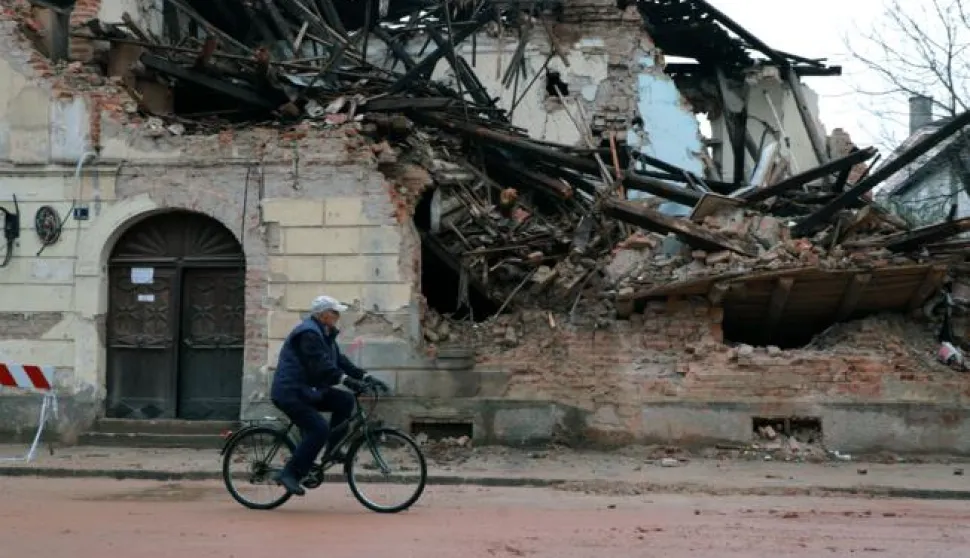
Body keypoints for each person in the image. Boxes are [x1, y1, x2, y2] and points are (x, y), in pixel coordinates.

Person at [270, 295, 389, 496]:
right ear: (323, 315)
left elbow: (339, 361)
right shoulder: (308, 333)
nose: (337, 316)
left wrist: (366, 377)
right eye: (335, 313)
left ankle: (332, 452)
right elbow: (321, 366)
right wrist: (347, 381)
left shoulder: (324, 334)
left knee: (345, 400)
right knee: (319, 429)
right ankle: (289, 473)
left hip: (308, 391)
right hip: (291, 392)